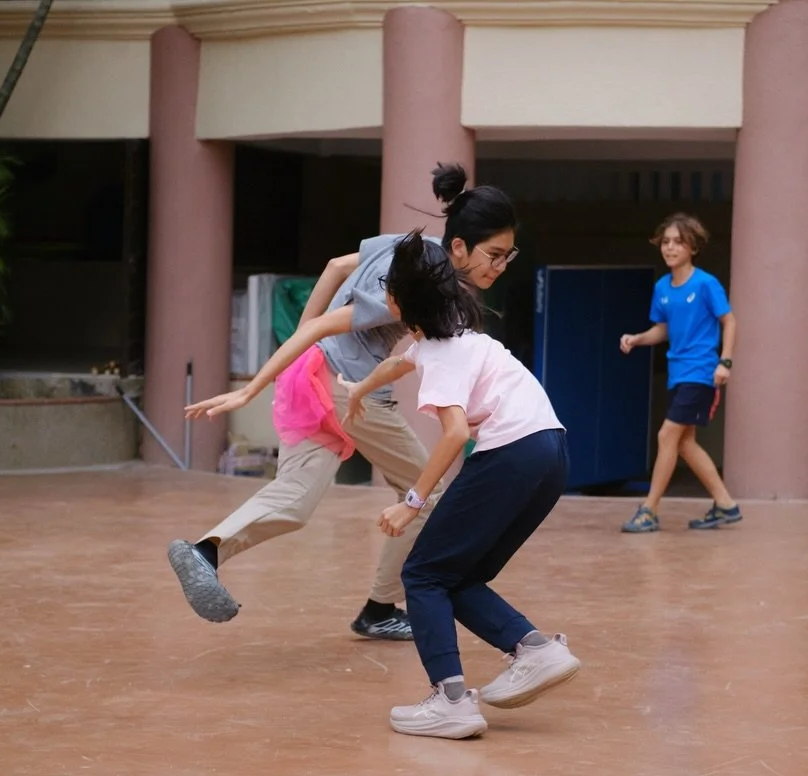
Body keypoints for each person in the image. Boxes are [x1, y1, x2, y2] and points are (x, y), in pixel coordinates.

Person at [167, 163, 521, 641]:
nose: (499, 267)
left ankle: (205, 553)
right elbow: (328, 325)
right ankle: (381, 605)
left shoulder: (406, 243)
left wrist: (297, 354)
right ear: (459, 246)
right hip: (350, 387)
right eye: (494, 255)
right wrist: (252, 386)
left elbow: (336, 266)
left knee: (295, 500)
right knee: (426, 493)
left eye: (507, 256)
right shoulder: (424, 277)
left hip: (311, 375)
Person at [341, 231, 580, 740]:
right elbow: (397, 363)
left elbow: (453, 434)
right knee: (458, 576)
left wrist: (411, 502)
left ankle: (450, 700)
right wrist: (359, 388)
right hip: (551, 451)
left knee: (423, 575)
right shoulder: (452, 340)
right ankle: (534, 648)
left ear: (399, 302)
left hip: (510, 453)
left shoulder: (444, 354)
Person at [618, 213, 741, 533]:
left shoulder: (705, 283)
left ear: (693, 248)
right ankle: (725, 503)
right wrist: (637, 339)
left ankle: (649, 509)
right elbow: (663, 329)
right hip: (678, 372)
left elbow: (729, 321)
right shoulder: (662, 287)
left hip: (701, 373)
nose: (670, 248)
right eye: (666, 242)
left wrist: (724, 362)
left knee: (666, 435)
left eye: (678, 242)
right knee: (684, 444)